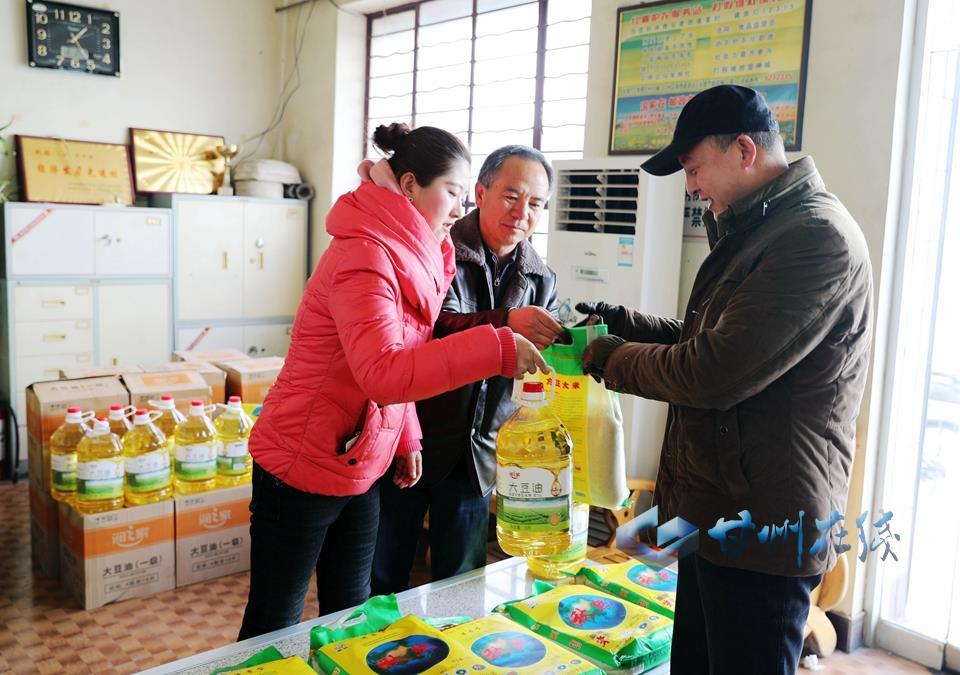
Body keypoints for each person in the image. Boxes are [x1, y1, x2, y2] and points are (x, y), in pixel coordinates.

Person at [578, 85, 873, 675]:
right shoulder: (756, 230)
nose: (690, 186)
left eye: (693, 168)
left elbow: (714, 373)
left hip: (765, 524)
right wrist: (624, 324)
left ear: (743, 149)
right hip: (715, 507)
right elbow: (706, 339)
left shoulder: (815, 238)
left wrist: (607, 358)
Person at [238, 124, 548, 640]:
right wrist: (496, 346)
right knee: (274, 625)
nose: (457, 209)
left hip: (360, 458)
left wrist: (406, 437)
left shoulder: (420, 252)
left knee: (351, 617)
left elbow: (409, 347)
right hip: (300, 461)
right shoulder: (367, 253)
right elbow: (383, 371)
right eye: (451, 192)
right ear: (407, 186)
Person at [371, 146, 564, 594]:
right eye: (511, 196)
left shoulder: (542, 278)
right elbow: (436, 329)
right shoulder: (439, 248)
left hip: (478, 451)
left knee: (460, 583)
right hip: (414, 437)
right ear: (480, 192)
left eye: (535, 204)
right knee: (382, 576)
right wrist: (506, 324)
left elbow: (531, 362)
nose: (521, 213)